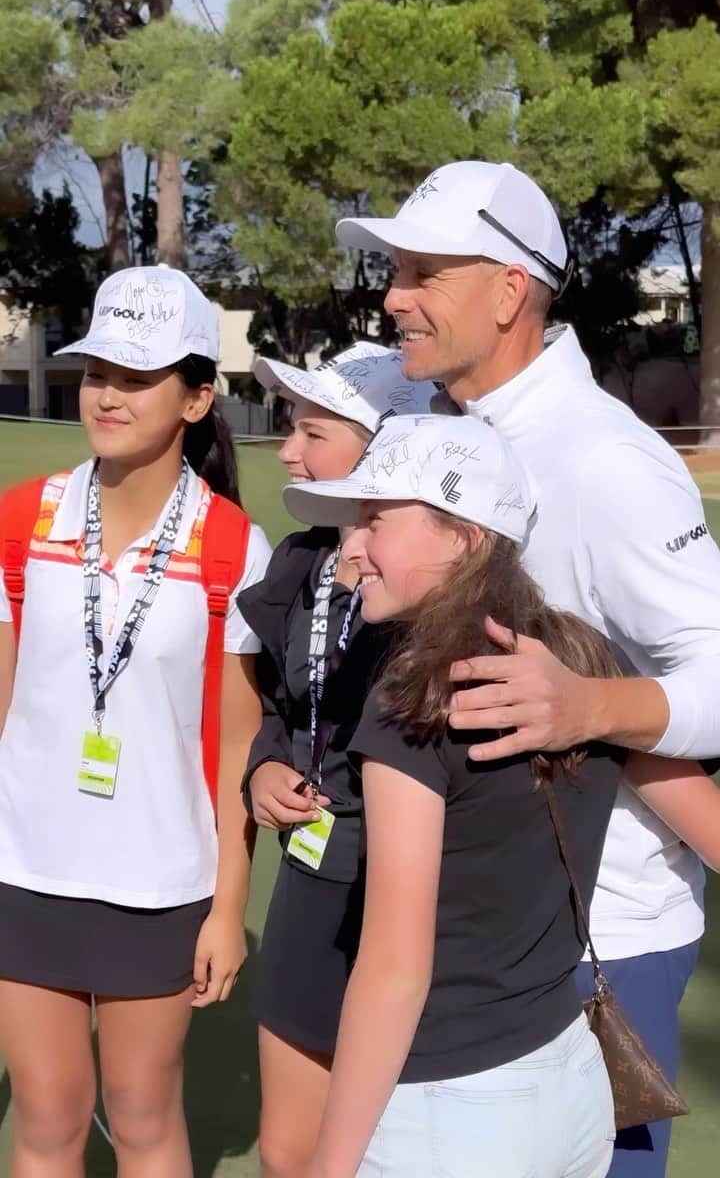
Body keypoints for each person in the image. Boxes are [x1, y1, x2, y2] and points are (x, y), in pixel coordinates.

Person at [335, 161, 720, 1177]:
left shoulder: (602, 459)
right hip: (473, 950)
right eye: (395, 269)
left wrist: (589, 702)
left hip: (602, 952)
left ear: (510, 289)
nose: (393, 295)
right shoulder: (456, 437)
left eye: (424, 271)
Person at [283, 413, 720, 1178]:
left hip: (447, 1111)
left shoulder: (411, 700)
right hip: (571, 1085)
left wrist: (332, 1162)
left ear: (465, 537)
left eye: (376, 519)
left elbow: (394, 967)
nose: (352, 548)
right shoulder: (582, 655)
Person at [0, 265, 271, 1178]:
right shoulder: (18, 519)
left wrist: (228, 906)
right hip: (22, 867)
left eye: (138, 376)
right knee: (43, 1123)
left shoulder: (234, 543)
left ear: (197, 397)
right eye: (97, 371)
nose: (108, 395)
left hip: (159, 882)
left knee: (145, 1118)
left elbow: (239, 741)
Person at [238, 343, 436, 1178]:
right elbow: (285, 709)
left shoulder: (437, 585)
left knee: (390, 1153)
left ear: (385, 448)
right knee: (289, 1152)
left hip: (403, 901)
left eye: (312, 430)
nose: (288, 450)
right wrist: (263, 771)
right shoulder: (302, 559)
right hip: (308, 886)